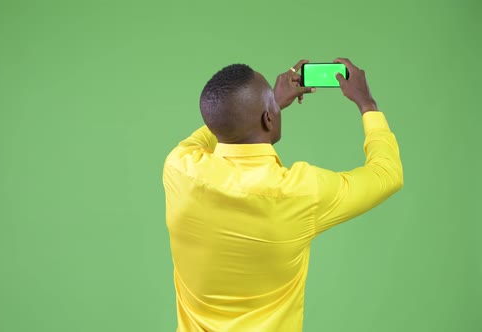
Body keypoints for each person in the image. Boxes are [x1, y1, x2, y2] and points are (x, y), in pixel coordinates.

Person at [162, 58, 403, 332]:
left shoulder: (179, 167)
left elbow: (216, 125)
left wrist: (265, 104)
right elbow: (388, 173)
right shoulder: (299, 192)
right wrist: (367, 104)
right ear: (268, 118)